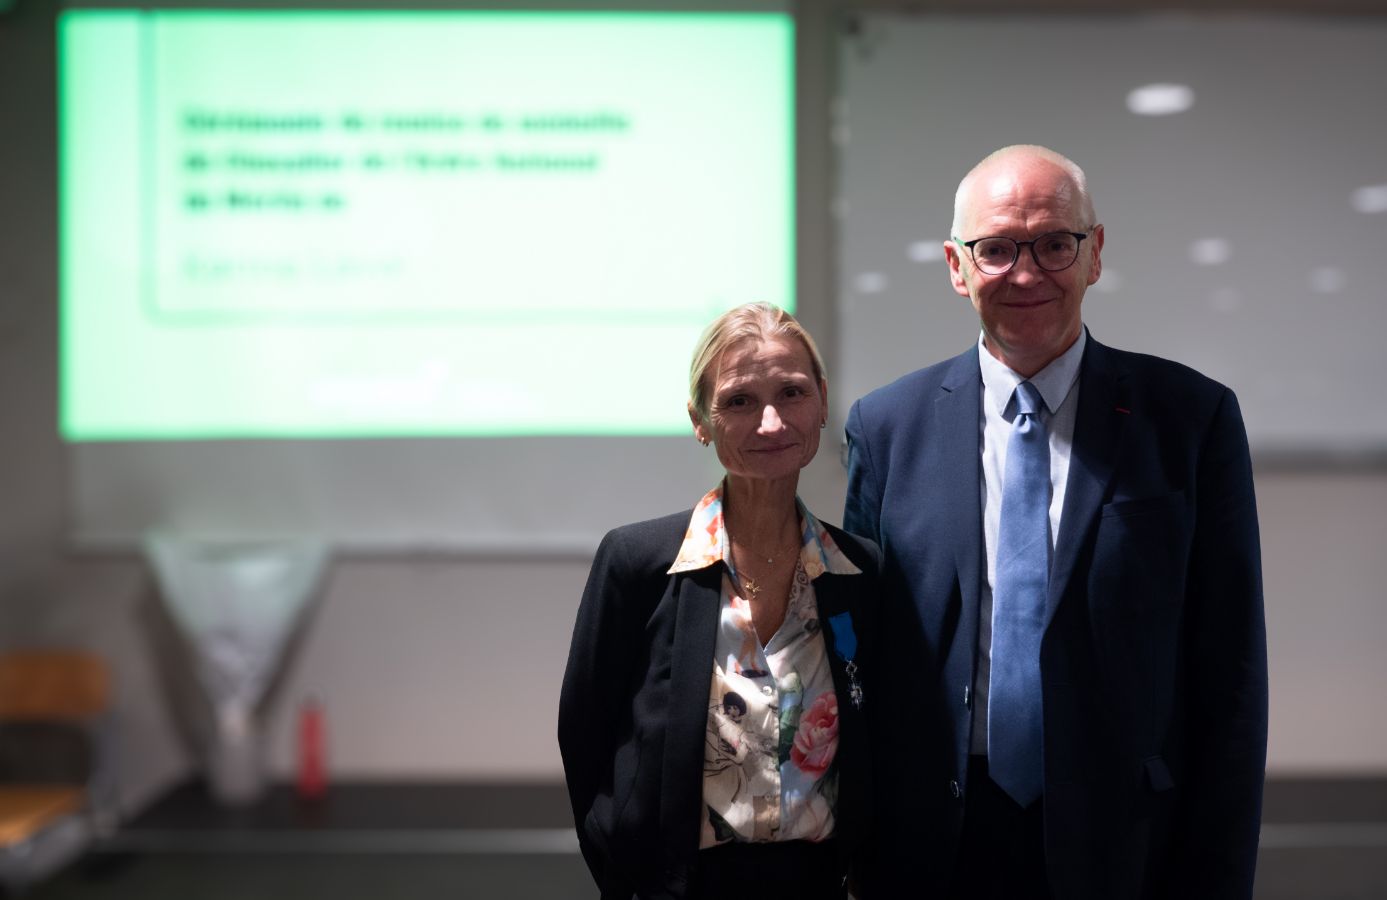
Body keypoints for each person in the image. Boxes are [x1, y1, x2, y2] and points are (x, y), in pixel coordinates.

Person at [844, 145, 1267, 899]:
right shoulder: (886, 428)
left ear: (1094, 253)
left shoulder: (1188, 419)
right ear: (955, 265)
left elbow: (1229, 672)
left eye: (1053, 243)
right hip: (934, 844)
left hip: (1128, 842)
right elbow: (864, 663)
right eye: (997, 249)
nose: (1027, 273)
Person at [560, 302, 881, 899]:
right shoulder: (638, 564)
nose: (770, 422)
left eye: (791, 392)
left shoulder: (861, 573)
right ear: (700, 420)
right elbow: (585, 736)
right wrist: (626, 871)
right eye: (738, 400)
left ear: (823, 403)